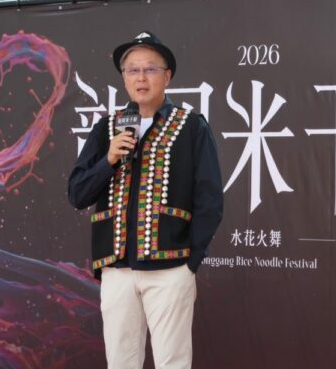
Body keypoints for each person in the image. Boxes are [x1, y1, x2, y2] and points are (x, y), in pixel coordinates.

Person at [67, 31, 223, 369]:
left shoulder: (191, 126)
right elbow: (77, 194)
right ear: (124, 78)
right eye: (133, 70)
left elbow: (210, 198)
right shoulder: (107, 128)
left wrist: (190, 262)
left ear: (167, 76)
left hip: (171, 267)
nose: (141, 77)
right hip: (117, 269)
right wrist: (109, 159)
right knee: (120, 362)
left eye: (150, 69)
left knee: (172, 362)